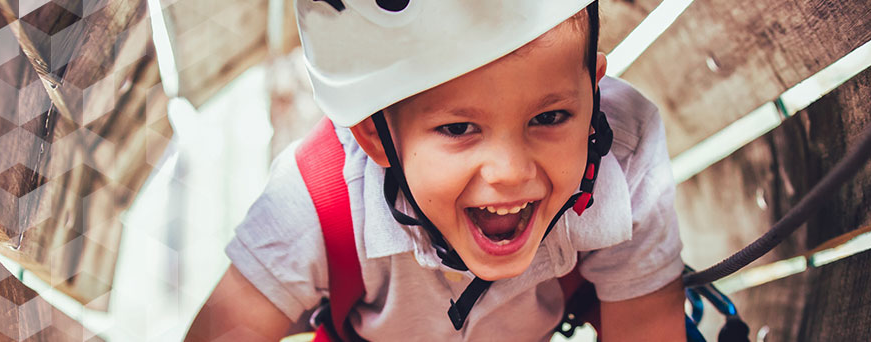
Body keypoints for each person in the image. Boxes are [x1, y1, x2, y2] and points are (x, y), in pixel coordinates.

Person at [187, 0, 688, 340]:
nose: (510, 171)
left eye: (551, 117)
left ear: (594, 92)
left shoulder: (620, 159)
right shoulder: (318, 202)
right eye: (459, 128)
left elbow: (647, 328)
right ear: (373, 134)